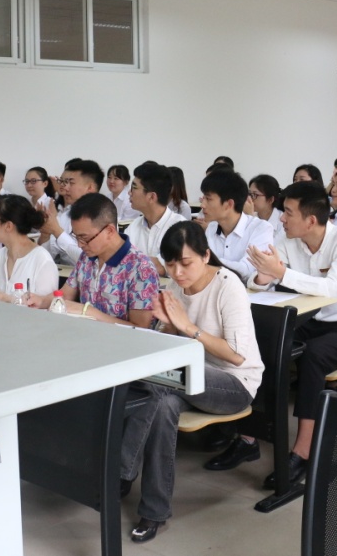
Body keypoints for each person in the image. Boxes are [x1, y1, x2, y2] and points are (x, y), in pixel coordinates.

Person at [120, 222, 263, 543]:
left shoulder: (228, 286)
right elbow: (172, 343)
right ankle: (154, 512)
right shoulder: (175, 285)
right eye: (170, 265)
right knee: (162, 404)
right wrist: (168, 326)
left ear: (206, 255)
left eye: (186, 263)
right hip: (186, 380)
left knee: (156, 380)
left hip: (234, 384)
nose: (178, 272)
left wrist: (187, 327)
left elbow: (236, 356)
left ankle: (121, 470)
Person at [221, 181, 337, 488]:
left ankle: (302, 451)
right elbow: (260, 283)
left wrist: (281, 272)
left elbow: (332, 289)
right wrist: (264, 275)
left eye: (288, 212)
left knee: (313, 355)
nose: (282, 218)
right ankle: (248, 437)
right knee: (260, 345)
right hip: (306, 321)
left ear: (311, 220)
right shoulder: (287, 238)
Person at [30, 193, 158, 327]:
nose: (80, 244)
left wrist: (88, 312)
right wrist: (40, 301)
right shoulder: (87, 257)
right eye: (76, 237)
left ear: (110, 231)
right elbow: (65, 295)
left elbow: (140, 328)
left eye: (84, 238)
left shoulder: (141, 268)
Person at [199, 169, 274, 284]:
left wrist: (203, 260)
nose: (202, 205)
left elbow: (247, 270)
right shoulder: (212, 227)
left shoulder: (261, 228)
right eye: (203, 198)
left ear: (229, 204)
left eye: (208, 199)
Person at [0, 195, 57, 302]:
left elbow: (47, 307)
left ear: (8, 226)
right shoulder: (0, 255)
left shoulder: (42, 260)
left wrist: (7, 299)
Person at [124, 162, 186, 276]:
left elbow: (159, 268)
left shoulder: (180, 227)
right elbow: (123, 260)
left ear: (152, 197)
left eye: (134, 188)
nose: (129, 193)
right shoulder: (134, 226)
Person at [40, 159, 103, 265]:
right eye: (63, 182)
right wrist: (45, 234)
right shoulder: (66, 215)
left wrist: (57, 231)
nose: (64, 187)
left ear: (90, 187)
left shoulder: (104, 215)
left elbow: (91, 260)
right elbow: (47, 257)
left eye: (71, 183)